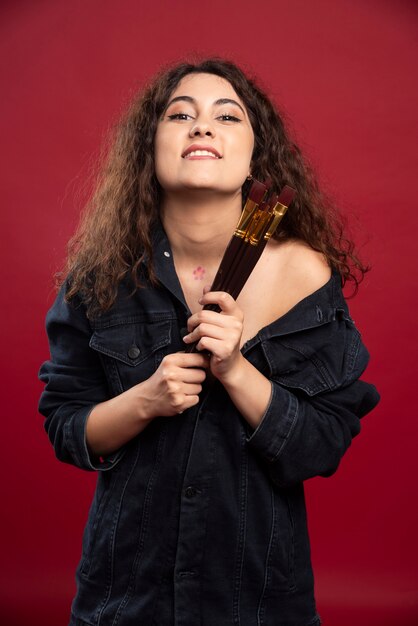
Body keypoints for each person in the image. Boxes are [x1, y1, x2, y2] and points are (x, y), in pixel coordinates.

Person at [38, 58, 379, 626]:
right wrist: (144, 400)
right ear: (149, 150)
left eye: (227, 115)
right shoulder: (99, 277)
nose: (201, 126)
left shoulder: (305, 274)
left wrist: (237, 372)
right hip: (124, 601)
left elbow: (322, 446)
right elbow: (65, 427)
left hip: (258, 603)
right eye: (179, 114)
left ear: (255, 156)